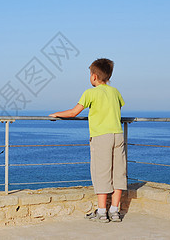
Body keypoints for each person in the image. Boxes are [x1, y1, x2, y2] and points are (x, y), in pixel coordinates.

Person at [49, 58, 126, 223]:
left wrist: (55, 114)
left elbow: (73, 112)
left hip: (101, 136)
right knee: (118, 173)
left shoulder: (90, 93)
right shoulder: (115, 92)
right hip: (118, 134)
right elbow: (117, 110)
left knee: (101, 172)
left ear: (94, 77)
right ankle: (114, 211)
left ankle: (102, 212)